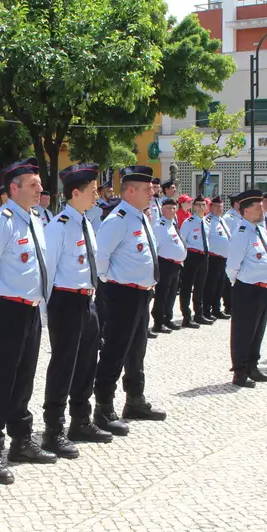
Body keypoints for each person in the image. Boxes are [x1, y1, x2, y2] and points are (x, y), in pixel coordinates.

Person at [0, 158, 55, 482]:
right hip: (7, 309)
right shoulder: (1, 222)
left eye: (38, 183)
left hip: (30, 309)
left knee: (23, 379)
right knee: (0, 381)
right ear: (14, 188)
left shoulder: (35, 219)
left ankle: (21, 440)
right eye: (33, 184)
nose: (39, 188)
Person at [43, 163, 119, 449]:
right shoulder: (59, 226)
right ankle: (53, 429)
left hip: (87, 301)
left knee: (87, 364)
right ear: (76, 192)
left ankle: (80, 421)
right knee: (63, 366)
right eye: (93, 190)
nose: (97, 195)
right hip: (65, 302)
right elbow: (48, 272)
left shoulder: (86, 222)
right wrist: (44, 313)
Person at [93, 165, 167, 430]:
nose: (152, 193)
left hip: (141, 295)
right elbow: (100, 259)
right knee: (115, 349)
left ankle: (135, 399)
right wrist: (114, 281)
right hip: (122, 294)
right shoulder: (118, 219)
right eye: (147, 189)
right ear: (131, 190)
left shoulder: (140, 216)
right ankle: (103, 407)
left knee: (137, 350)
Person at [225, 190, 267, 388]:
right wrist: (239, 283)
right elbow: (232, 266)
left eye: (261, 206)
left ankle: (252, 366)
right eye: (257, 207)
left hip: (264, 289)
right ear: (245, 211)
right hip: (247, 289)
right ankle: (240, 371)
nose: (262, 209)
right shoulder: (242, 233)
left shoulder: (260, 229)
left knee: (258, 331)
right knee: (243, 332)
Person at [152, 198, 186, 334]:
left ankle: (168, 318)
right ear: (162, 209)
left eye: (173, 208)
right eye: (168, 208)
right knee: (162, 294)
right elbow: (155, 247)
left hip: (176, 265)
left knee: (172, 294)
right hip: (165, 263)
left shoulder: (173, 224)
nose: (172, 211)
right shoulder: (159, 226)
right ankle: (158, 322)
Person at [177, 197, 211, 328]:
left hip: (204, 256)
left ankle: (199, 314)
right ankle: (186, 315)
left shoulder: (206, 221)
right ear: (194, 207)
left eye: (204, 205)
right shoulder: (189, 222)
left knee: (200, 286)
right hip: (192, 256)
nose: (202, 207)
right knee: (187, 287)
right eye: (199, 205)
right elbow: (182, 240)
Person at [203, 196, 232, 320]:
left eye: (221, 206)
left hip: (223, 258)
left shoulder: (221, 220)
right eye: (217, 206)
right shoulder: (207, 221)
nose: (220, 209)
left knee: (220, 284)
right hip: (213, 258)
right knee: (211, 285)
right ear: (211, 207)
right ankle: (206, 310)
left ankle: (216, 308)